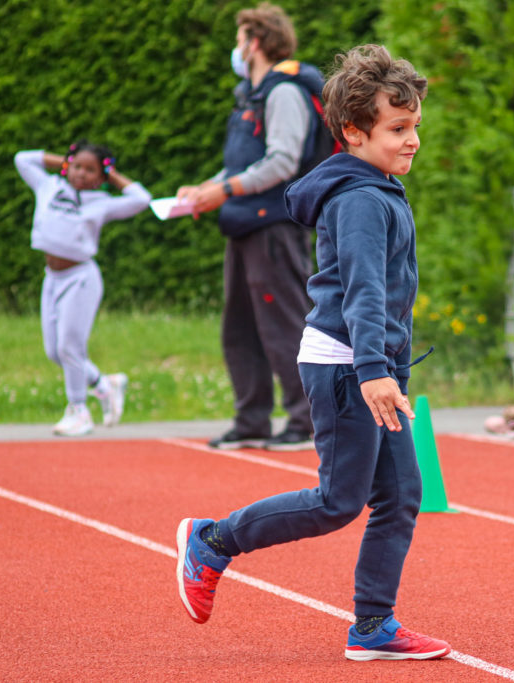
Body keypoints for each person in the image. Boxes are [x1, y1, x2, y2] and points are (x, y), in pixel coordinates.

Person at [176, 44, 450, 662]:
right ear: (353, 131)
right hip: (347, 366)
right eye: (397, 129)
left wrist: (386, 365)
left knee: (402, 494)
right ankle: (211, 540)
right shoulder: (359, 199)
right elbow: (361, 289)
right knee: (337, 501)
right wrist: (375, 370)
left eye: (415, 128)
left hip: (374, 365)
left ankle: (373, 627)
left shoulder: (376, 185)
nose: (411, 141)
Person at [175, 2, 320, 452]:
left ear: (254, 43)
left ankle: (305, 421)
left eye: (239, 39)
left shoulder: (283, 93)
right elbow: (242, 163)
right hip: (242, 226)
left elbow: (282, 161)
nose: (235, 49)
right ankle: (252, 419)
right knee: (239, 329)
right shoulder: (250, 96)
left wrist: (226, 190)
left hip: (274, 227)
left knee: (286, 324)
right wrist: (206, 189)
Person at [14, 141, 150, 436]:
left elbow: (142, 199)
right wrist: (64, 161)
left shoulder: (101, 201)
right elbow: (23, 158)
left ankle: (79, 411)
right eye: (77, 167)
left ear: (100, 177)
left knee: (70, 348)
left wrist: (110, 174)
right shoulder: (48, 186)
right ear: (67, 166)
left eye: (91, 170)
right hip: (52, 278)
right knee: (55, 352)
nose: (82, 174)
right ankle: (104, 384)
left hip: (81, 278)